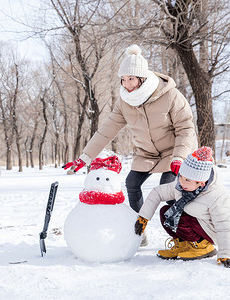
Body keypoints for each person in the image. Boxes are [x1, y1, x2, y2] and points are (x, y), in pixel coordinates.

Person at [62, 44, 197, 246]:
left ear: (142, 78)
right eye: (123, 79)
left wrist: (179, 156)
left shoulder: (170, 95)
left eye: (131, 79)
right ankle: (139, 233)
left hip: (173, 152)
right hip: (147, 154)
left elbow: (186, 128)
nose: (126, 84)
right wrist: (85, 157)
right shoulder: (125, 101)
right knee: (132, 184)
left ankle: (184, 238)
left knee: (168, 190)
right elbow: (106, 130)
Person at [134, 147, 230, 267]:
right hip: (194, 225)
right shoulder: (180, 184)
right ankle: (183, 244)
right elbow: (158, 192)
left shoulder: (217, 195)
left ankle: (203, 246)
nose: (182, 182)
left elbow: (224, 226)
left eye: (187, 180)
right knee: (166, 212)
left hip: (210, 231)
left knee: (184, 216)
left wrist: (225, 253)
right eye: (181, 176)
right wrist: (144, 217)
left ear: (201, 183)